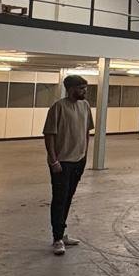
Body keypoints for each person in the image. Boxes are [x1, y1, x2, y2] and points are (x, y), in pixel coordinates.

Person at [41, 73, 93, 255]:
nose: (84, 91)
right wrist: (53, 160)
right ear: (70, 89)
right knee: (59, 199)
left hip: (78, 160)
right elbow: (49, 135)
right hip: (62, 162)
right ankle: (56, 238)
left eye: (85, 88)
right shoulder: (58, 108)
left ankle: (62, 233)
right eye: (81, 88)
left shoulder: (85, 106)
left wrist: (85, 153)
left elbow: (87, 131)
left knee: (68, 197)